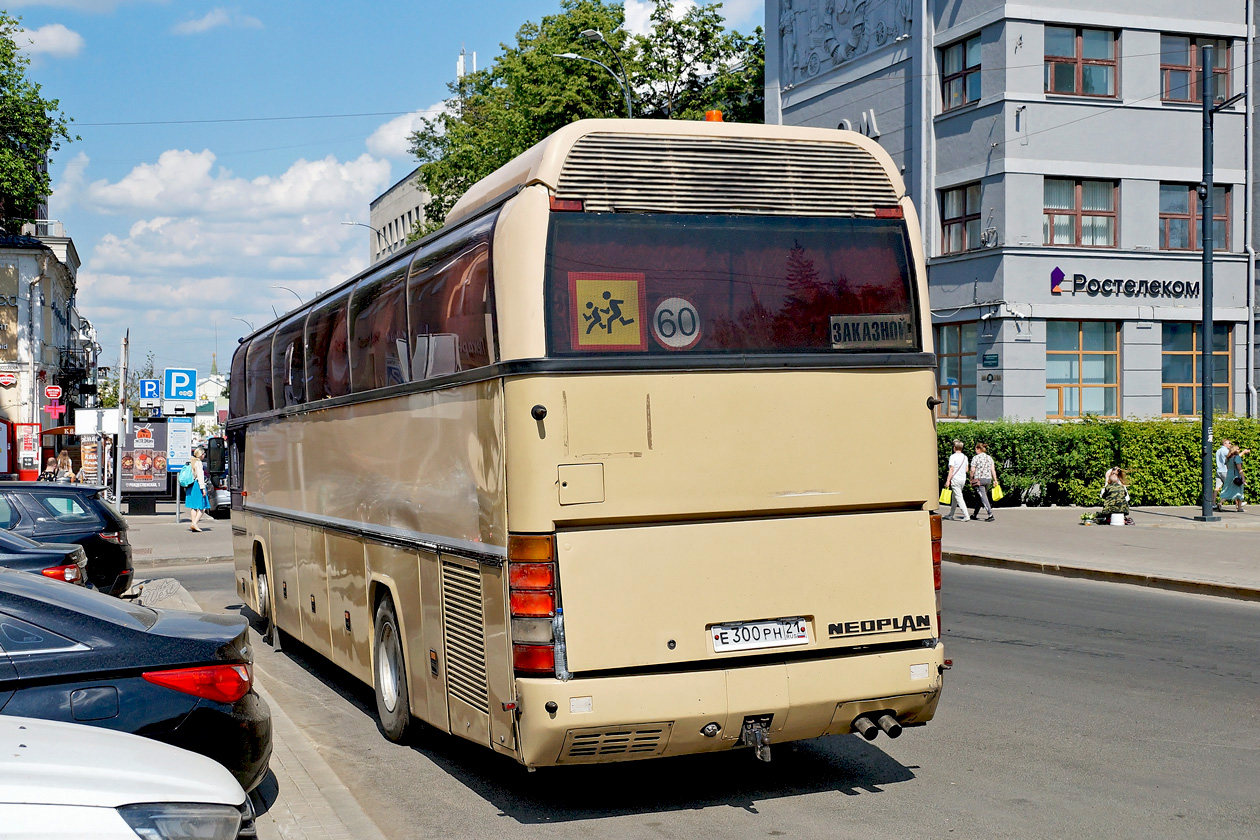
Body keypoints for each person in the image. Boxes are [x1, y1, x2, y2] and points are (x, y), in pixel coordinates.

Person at [184, 447, 212, 532]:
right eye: (204, 454)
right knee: (202, 507)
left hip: (191, 485)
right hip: (197, 485)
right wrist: (203, 488)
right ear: (201, 455)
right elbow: (200, 476)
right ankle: (195, 523)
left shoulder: (191, 462)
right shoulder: (199, 463)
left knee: (193, 507)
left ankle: (193, 523)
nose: (204, 455)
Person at [969, 442, 997, 522]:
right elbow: (993, 470)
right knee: (980, 497)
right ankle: (975, 514)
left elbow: (972, 470)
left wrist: (971, 479)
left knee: (983, 497)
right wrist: (995, 480)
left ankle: (990, 514)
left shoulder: (976, 458)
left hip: (979, 480)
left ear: (978, 449)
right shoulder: (989, 458)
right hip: (988, 479)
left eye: (975, 449)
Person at [945, 439, 970, 521]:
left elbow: (951, 469)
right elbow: (966, 469)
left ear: (954, 447)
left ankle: (966, 515)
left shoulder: (953, 457)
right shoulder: (965, 457)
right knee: (955, 497)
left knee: (959, 497)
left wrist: (948, 480)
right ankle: (951, 514)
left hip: (955, 479)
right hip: (963, 479)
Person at [1221, 443, 1250, 513]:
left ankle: (1220, 502)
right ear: (1235, 450)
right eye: (1238, 449)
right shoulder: (1237, 457)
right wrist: (1243, 478)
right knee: (1239, 491)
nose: (1239, 450)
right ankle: (1239, 508)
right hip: (1236, 476)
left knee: (1227, 490)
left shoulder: (1228, 458)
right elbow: (1239, 468)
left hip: (1229, 475)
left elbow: (1228, 468)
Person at [1214, 438, 1232, 511]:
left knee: (1217, 487)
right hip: (1225, 471)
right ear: (1225, 444)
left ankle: (1213, 503)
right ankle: (1238, 505)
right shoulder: (1226, 451)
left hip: (1219, 470)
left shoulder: (1218, 451)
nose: (1230, 444)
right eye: (1229, 443)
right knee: (1231, 487)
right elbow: (1231, 457)